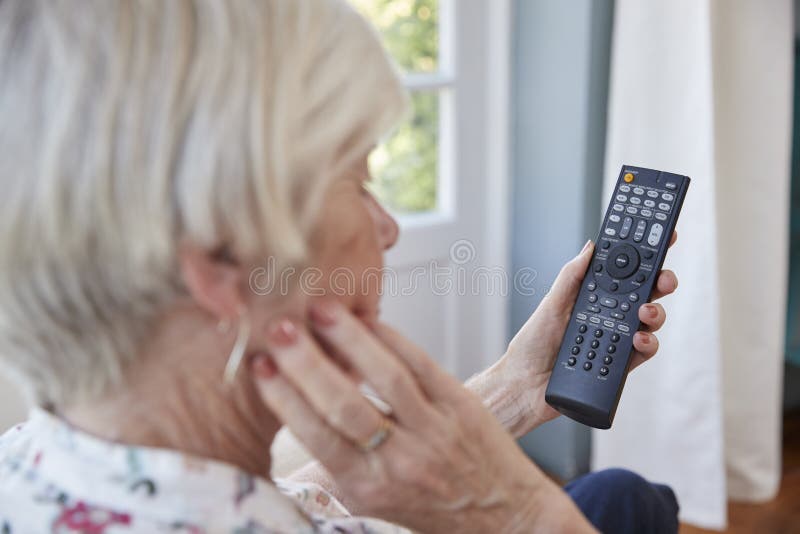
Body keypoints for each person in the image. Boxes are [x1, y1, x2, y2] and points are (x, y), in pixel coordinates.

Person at [0, 1, 679, 532]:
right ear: (220, 260)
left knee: (624, 496)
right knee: (630, 502)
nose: (387, 228)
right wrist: (520, 513)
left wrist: (516, 386)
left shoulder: (27, 458)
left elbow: (276, 497)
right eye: (358, 181)